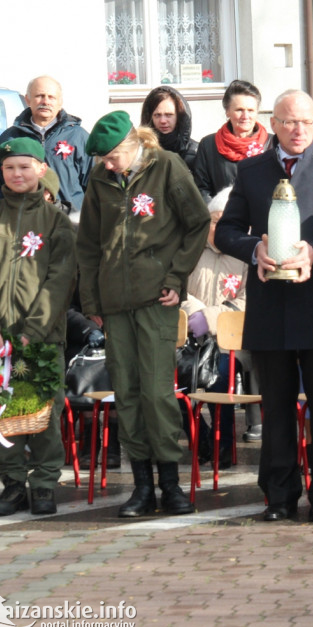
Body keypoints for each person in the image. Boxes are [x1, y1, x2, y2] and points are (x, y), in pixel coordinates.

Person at [215, 90, 313, 523]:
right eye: (290, 122)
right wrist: (252, 249)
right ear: (274, 123)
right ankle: (279, 495)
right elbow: (225, 231)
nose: (299, 130)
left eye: (307, 122)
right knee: (275, 407)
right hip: (269, 306)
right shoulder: (252, 169)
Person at [77, 111, 210, 518]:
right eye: (103, 158)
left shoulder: (166, 166)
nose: (108, 164)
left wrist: (176, 277)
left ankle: (170, 484)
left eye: (114, 156)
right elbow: (88, 245)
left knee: (156, 393)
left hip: (157, 299)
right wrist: (92, 303)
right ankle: (141, 488)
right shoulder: (100, 179)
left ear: (135, 143)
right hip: (114, 303)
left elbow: (197, 222)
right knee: (129, 395)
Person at [0, 137, 76, 516]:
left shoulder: (57, 223)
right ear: (1, 171)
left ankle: (44, 484)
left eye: (25, 166)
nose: (17, 173)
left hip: (42, 337)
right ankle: (13, 483)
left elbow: (60, 280)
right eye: (10, 167)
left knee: (44, 411)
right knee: (4, 411)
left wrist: (34, 329)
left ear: (41, 170)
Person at [182, 188, 250, 468]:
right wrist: (194, 312)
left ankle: (224, 445)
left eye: (225, 220)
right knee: (172, 383)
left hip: (231, 341)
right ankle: (202, 438)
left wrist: (209, 317)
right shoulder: (190, 249)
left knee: (219, 377)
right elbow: (177, 289)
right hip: (190, 338)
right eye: (213, 220)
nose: (218, 227)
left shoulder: (247, 253)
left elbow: (248, 300)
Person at [0, 76, 93, 216]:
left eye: (51, 97)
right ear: (28, 100)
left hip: (70, 221)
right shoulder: (10, 138)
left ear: (60, 102)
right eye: (39, 96)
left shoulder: (78, 137)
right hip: (23, 221)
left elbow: (92, 184)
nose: (45, 101)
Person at [193, 80, 270, 203]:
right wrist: (215, 211)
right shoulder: (209, 145)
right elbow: (201, 189)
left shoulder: (272, 144)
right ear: (227, 111)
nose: (245, 116)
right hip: (223, 217)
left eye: (250, 110)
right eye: (239, 110)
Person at [141, 86, 199, 172]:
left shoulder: (195, 151)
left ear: (179, 116)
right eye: (157, 115)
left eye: (169, 115)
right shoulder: (140, 151)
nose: (163, 121)